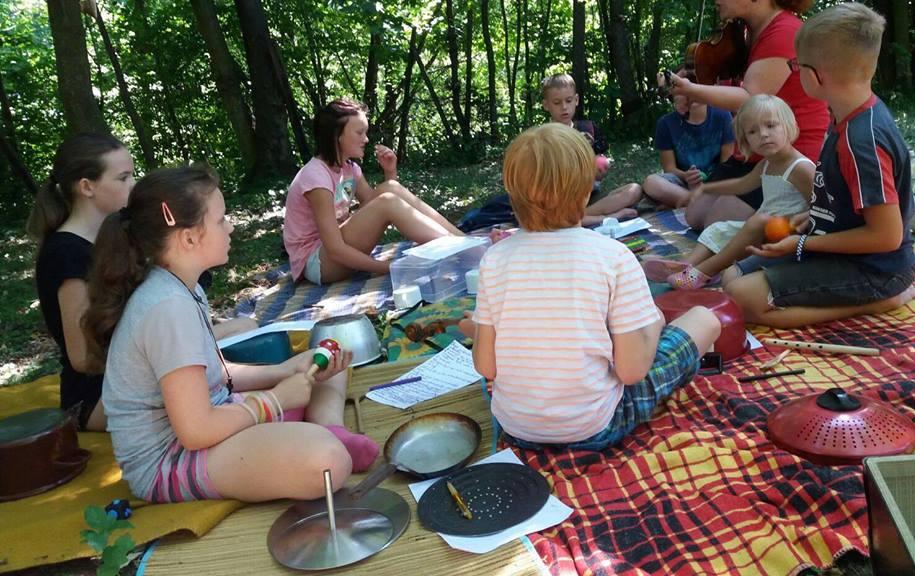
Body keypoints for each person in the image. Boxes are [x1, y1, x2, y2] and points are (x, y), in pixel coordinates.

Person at [86, 165, 379, 502]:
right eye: (222, 219)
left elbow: (214, 375)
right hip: (172, 460)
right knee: (327, 463)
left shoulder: (183, 287)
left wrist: (285, 370)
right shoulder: (166, 307)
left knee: (324, 364)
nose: (231, 226)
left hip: (217, 416)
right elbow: (195, 431)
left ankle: (329, 427)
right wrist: (276, 399)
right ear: (189, 236)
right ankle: (321, 436)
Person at [458, 124, 720, 451]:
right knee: (703, 320)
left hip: (518, 427)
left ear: (512, 194)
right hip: (597, 425)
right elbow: (631, 371)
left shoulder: (494, 260)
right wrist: (653, 322)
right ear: (587, 194)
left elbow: (485, 367)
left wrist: (487, 331)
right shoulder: (613, 257)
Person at [723, 3, 915, 327]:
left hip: (877, 268)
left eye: (795, 66)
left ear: (814, 76)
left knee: (742, 299)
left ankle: (884, 301)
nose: (794, 71)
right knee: (731, 276)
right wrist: (809, 218)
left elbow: (887, 236)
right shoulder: (845, 114)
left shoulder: (862, 142)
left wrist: (803, 242)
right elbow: (843, 198)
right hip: (839, 248)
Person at [669, 0, 830, 229]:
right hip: (754, 152)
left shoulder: (785, 31)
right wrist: (694, 86)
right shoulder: (743, 32)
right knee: (696, 217)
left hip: (788, 151)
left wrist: (692, 91)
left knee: (715, 223)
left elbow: (749, 97)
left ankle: (800, 213)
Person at [283, 99, 463, 284]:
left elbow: (376, 207)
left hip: (336, 251)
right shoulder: (316, 177)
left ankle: (462, 240)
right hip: (318, 262)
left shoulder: (350, 169)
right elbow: (335, 248)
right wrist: (389, 267)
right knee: (386, 200)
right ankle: (458, 249)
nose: (366, 139)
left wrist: (390, 172)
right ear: (337, 135)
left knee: (389, 188)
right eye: (360, 132)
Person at [27, 133, 134, 432]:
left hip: (132, 380)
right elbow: (84, 358)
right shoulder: (66, 253)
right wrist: (154, 361)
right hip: (94, 397)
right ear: (87, 186)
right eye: (123, 178)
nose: (133, 186)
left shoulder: (115, 235)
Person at [649, 94, 814, 289]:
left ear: (789, 126)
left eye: (771, 126)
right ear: (746, 139)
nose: (763, 134)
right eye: (753, 131)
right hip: (764, 227)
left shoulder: (801, 167)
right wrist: (704, 188)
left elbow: (821, 208)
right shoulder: (766, 164)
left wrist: (797, 221)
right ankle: (688, 265)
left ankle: (702, 273)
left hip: (788, 234)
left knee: (756, 222)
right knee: (718, 229)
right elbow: (741, 185)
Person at [541, 74, 643, 226]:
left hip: (590, 198)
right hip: (560, 200)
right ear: (546, 105)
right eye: (557, 102)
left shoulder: (588, 129)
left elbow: (599, 163)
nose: (564, 107)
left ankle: (574, 218)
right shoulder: (543, 137)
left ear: (576, 100)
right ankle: (606, 216)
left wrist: (600, 169)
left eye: (568, 101)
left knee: (634, 190)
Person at [642, 92, 735, 209]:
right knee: (651, 183)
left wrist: (707, 182)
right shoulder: (665, 124)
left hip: (715, 183)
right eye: (685, 91)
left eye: (695, 88)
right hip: (682, 184)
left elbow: (727, 165)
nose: (692, 95)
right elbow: (669, 168)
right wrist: (687, 176)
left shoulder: (723, 116)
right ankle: (701, 204)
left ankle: (689, 203)